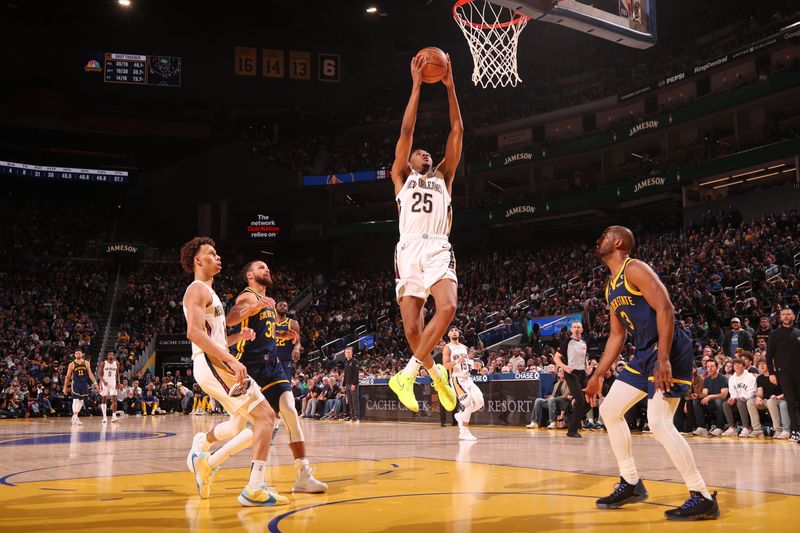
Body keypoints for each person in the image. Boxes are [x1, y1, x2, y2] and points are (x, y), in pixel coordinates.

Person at [584, 226, 719, 521]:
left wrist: (663, 359)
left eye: (605, 234)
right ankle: (631, 482)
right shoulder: (611, 286)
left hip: (667, 349)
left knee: (658, 421)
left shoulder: (635, 268)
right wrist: (598, 374)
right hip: (644, 353)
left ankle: (702, 496)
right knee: (609, 410)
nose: (600, 238)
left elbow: (666, 308)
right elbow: (617, 336)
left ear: (618, 242)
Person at [191, 260, 327, 494]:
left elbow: (266, 332)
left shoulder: (268, 302)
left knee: (289, 411)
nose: (267, 270)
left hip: (272, 365)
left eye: (267, 267)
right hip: (250, 367)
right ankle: (208, 457)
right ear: (250, 275)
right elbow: (232, 318)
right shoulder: (247, 296)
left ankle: (303, 474)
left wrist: (283, 333)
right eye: (261, 267)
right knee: (242, 428)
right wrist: (254, 307)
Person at [180, 237, 288, 507]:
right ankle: (254, 488)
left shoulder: (210, 293)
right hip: (213, 364)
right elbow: (193, 333)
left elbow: (212, 338)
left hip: (213, 361)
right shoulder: (197, 289)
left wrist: (238, 336)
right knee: (266, 417)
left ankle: (204, 452)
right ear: (197, 261)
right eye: (211, 254)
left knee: (242, 425)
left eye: (217, 253)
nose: (217, 257)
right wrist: (231, 359)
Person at [388, 52, 463, 415]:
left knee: (447, 306)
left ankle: (406, 374)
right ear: (409, 162)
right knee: (413, 330)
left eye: (427, 153)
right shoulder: (401, 178)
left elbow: (457, 131)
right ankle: (435, 377)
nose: (424, 154)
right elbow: (406, 132)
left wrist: (450, 87)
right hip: (407, 250)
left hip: (436, 246)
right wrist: (416, 85)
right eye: (419, 153)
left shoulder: (444, 178)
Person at [443, 327, 484, 441]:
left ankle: (461, 415)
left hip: (468, 378)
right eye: (451, 330)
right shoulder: (447, 348)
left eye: (456, 330)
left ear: (459, 333)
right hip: (457, 379)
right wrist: (456, 361)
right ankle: (463, 431)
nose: (454, 331)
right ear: (448, 334)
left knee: (480, 402)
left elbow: (466, 362)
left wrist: (473, 365)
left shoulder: (464, 347)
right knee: (469, 404)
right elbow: (445, 365)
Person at [766, 307, 800, 442]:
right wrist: (771, 374)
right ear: (780, 317)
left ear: (793, 317)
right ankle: (795, 432)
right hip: (784, 374)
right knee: (791, 403)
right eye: (783, 314)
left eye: (789, 314)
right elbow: (769, 356)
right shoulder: (774, 334)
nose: (786, 316)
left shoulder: (798, 332)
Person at [554, 322, 588, 438]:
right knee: (580, 400)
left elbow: (585, 357)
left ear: (582, 329)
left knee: (589, 401)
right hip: (571, 373)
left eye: (579, 327)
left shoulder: (584, 343)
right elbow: (556, 357)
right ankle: (572, 430)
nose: (577, 329)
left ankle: (570, 418)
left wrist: (587, 367)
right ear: (571, 329)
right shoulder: (567, 342)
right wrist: (564, 367)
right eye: (574, 327)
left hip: (583, 373)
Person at [63, 350, 98, 426]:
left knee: (81, 401)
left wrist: (95, 383)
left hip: (84, 383)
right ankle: (75, 417)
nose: (78, 354)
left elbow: (90, 374)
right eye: (76, 353)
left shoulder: (86, 363)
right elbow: (68, 376)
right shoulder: (71, 364)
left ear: (82, 354)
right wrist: (65, 387)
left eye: (79, 353)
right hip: (76, 383)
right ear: (75, 355)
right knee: (75, 400)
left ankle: (75, 416)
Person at [98, 352, 120, 423]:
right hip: (105, 382)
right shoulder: (103, 363)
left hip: (113, 382)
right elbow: (100, 374)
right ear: (107, 356)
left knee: (114, 399)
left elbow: (117, 374)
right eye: (109, 354)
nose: (111, 355)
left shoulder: (116, 363)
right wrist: (103, 381)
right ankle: (104, 417)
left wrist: (118, 382)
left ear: (113, 356)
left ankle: (114, 416)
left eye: (112, 354)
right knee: (104, 399)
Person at [343, 347, 360, 422]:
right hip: (347, 384)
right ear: (345, 354)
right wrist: (343, 384)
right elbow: (345, 374)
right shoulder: (346, 362)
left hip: (353, 384)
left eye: (349, 352)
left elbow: (356, 374)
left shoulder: (355, 361)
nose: (348, 353)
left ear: (352, 353)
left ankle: (357, 416)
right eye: (346, 352)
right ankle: (352, 416)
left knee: (354, 400)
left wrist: (354, 384)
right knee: (349, 401)